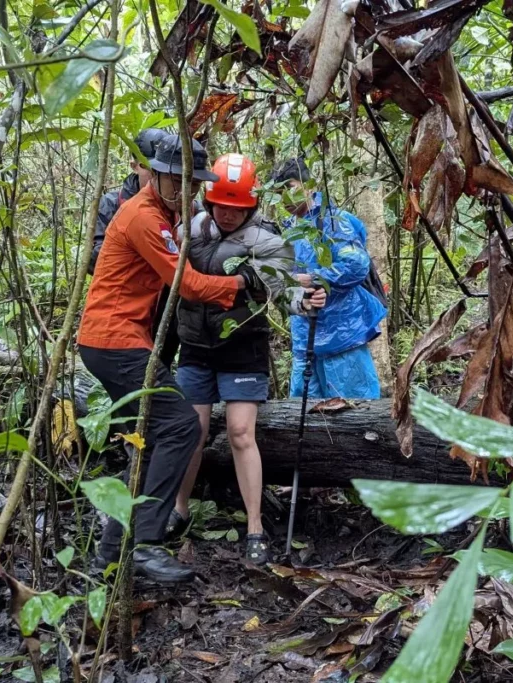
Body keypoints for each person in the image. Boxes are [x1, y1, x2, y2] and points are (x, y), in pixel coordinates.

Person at [78, 136, 267, 583]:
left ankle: (109, 555)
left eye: (192, 183)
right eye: (176, 180)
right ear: (156, 174)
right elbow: (187, 284)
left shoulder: (168, 215)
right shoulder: (144, 216)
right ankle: (145, 544)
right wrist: (243, 284)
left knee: (152, 436)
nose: (184, 190)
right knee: (181, 427)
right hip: (115, 340)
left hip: (122, 340)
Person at [166, 153, 326, 564]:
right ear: (209, 200)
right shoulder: (189, 230)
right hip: (194, 347)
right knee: (191, 430)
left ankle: (254, 526)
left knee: (240, 432)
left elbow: (283, 290)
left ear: (251, 205)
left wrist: (304, 301)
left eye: (237, 208)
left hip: (243, 348)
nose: (228, 214)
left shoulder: (268, 241)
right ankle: (179, 510)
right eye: (221, 205)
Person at [268, 157, 386, 400]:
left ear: (308, 185)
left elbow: (356, 264)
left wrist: (314, 278)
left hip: (342, 337)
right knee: (303, 410)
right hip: (304, 339)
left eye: (289, 188)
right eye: (279, 194)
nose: (285, 199)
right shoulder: (289, 230)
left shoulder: (333, 221)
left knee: (353, 408)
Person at [90, 128, 183, 368]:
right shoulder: (112, 203)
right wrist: (142, 248)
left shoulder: (181, 202)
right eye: (149, 168)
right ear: (135, 166)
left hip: (167, 307)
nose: (155, 175)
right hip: (126, 309)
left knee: (159, 369)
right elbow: (93, 258)